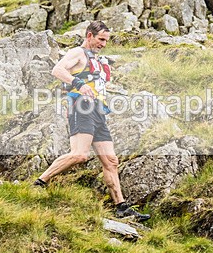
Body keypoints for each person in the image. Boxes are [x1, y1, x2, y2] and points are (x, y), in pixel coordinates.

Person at [32, 21, 150, 222]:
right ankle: (39, 183)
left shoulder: (98, 59)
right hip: (81, 107)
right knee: (79, 155)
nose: (103, 44)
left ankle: (121, 207)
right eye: (100, 39)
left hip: (98, 111)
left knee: (111, 160)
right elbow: (58, 70)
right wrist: (78, 83)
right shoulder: (77, 52)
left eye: (106, 40)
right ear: (89, 36)